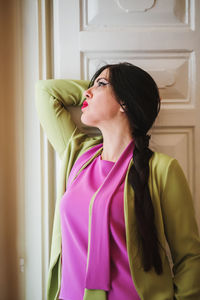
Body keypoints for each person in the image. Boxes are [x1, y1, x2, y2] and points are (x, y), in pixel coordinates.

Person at [35, 62, 200, 300]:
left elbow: (190, 257)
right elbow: (45, 92)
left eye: (100, 84)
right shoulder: (79, 155)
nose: (87, 92)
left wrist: (132, 94)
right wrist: (96, 90)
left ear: (125, 102)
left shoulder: (163, 170)